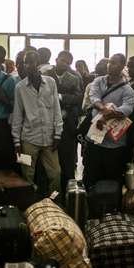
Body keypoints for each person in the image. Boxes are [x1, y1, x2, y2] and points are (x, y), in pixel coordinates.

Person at [12, 51, 63, 194]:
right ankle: (30, 204)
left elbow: (56, 109)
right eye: (25, 62)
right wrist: (17, 143)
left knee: (56, 174)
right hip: (28, 139)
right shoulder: (20, 87)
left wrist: (58, 134)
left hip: (49, 138)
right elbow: (17, 115)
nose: (28, 65)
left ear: (38, 63)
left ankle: (54, 201)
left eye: (30, 62)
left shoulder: (50, 83)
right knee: (27, 174)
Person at [83, 54, 134, 187]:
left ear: (122, 66)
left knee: (112, 176)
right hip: (95, 138)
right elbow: (94, 97)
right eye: (109, 62)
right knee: (90, 174)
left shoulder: (127, 89)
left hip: (114, 143)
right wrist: (104, 110)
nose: (110, 65)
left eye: (114, 63)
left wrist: (106, 116)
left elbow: (127, 108)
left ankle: (112, 205)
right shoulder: (98, 81)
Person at [45, 51, 83, 191]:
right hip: (48, 123)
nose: (64, 64)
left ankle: (68, 191)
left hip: (67, 124)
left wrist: (61, 97)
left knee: (68, 159)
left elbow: (78, 98)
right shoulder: (46, 75)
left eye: (68, 62)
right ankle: (52, 192)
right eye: (62, 60)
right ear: (56, 59)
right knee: (50, 160)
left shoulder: (74, 78)